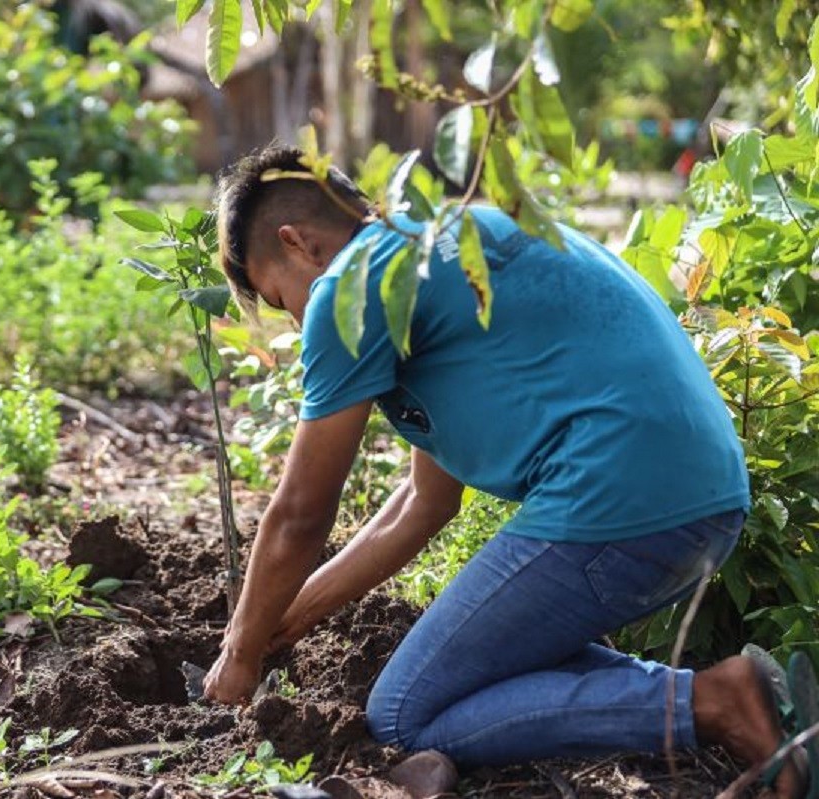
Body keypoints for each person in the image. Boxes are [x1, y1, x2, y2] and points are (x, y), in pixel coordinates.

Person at [200, 144, 810, 798]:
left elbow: (299, 514)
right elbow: (421, 503)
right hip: (703, 496)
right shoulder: (434, 252)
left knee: (404, 712)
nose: (297, 321)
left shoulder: (354, 284)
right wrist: (286, 618)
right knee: (467, 676)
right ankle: (732, 699)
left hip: (616, 497)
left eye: (280, 297)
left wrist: (239, 649)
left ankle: (714, 702)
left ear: (300, 244)